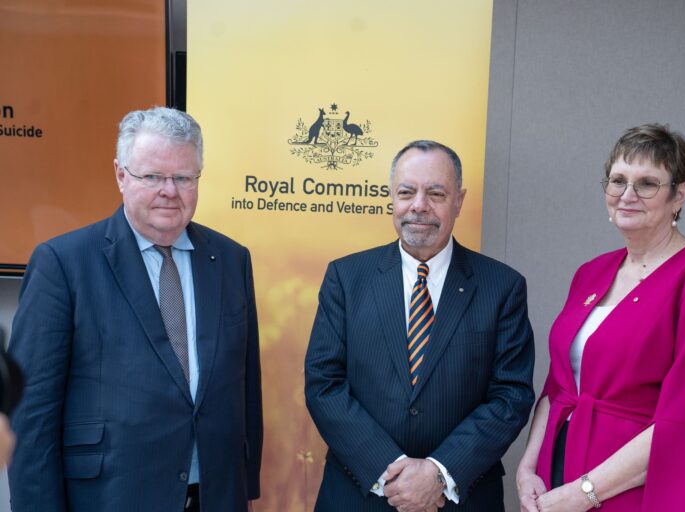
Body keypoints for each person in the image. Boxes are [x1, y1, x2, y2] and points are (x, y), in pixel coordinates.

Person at [8, 107, 263, 512]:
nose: (170, 190)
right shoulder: (63, 263)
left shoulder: (231, 259)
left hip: (214, 495)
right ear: (121, 175)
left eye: (183, 177)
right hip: (111, 496)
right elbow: (31, 413)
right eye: (153, 177)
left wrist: (244, 488)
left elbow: (245, 385)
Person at [515, 124, 685, 511]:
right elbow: (559, 386)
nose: (627, 195)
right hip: (559, 479)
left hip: (645, 490)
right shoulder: (591, 272)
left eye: (647, 183)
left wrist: (584, 493)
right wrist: (528, 469)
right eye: (618, 181)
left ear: (680, 195)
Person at [305, 140, 535, 512]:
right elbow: (324, 384)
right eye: (407, 192)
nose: (419, 206)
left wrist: (438, 474)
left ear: (458, 200)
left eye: (436, 193)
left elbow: (511, 395)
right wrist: (393, 471)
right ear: (391, 198)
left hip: (461, 497)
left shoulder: (502, 287)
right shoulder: (346, 278)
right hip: (360, 494)